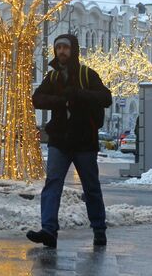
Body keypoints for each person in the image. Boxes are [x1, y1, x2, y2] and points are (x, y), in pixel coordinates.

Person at [27, 33, 112, 248]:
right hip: (59, 141)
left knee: (91, 186)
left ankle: (99, 229)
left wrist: (79, 95)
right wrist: (60, 100)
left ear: (73, 50)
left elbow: (106, 98)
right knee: (52, 185)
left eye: (65, 47)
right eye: (58, 48)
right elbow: (36, 99)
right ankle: (48, 230)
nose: (61, 51)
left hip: (84, 142)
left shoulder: (87, 74)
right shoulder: (53, 77)